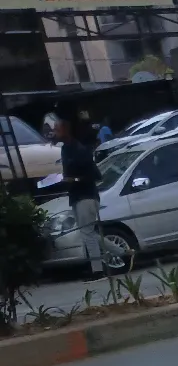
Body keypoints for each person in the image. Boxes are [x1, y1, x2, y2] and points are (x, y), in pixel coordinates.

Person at [57, 119, 103, 278]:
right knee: (88, 232)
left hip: (86, 196)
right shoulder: (65, 149)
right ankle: (124, 252)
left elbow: (95, 175)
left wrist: (74, 180)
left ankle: (98, 270)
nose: (56, 133)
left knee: (87, 233)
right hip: (76, 196)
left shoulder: (80, 150)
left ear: (66, 130)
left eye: (58, 130)